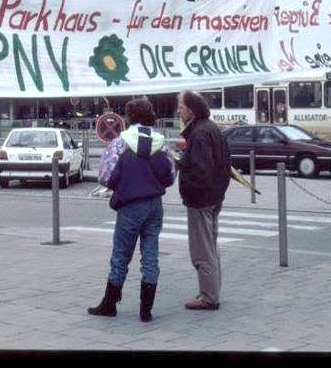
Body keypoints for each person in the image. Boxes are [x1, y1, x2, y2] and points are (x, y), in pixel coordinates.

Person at [88, 98, 175, 322]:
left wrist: (124, 183)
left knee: (121, 255)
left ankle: (110, 303)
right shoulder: (161, 143)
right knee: (150, 256)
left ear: (129, 117)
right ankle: (146, 309)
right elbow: (170, 176)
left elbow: (105, 177)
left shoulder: (120, 143)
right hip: (155, 205)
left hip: (130, 205)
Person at [175, 89, 231, 311]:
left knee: (202, 249)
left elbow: (201, 170)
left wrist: (183, 169)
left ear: (192, 109)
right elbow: (225, 163)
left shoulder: (198, 134)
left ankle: (209, 297)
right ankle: (212, 291)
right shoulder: (212, 129)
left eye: (181, 106)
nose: (178, 110)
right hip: (214, 196)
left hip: (201, 199)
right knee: (211, 245)